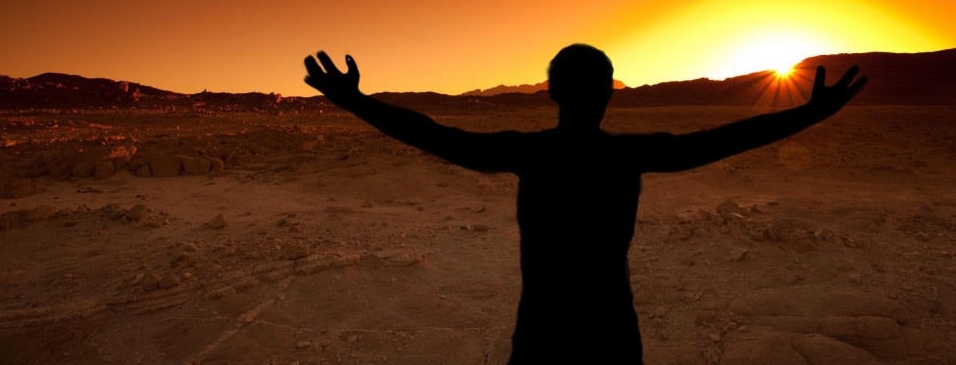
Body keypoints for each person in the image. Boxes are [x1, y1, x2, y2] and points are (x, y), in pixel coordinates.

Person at [304, 44, 866, 364]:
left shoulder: (530, 154)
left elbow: (434, 134)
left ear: (550, 92)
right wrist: (808, 115)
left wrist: (355, 101)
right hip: (611, 336)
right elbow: (724, 139)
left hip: (543, 335)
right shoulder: (630, 156)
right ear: (609, 92)